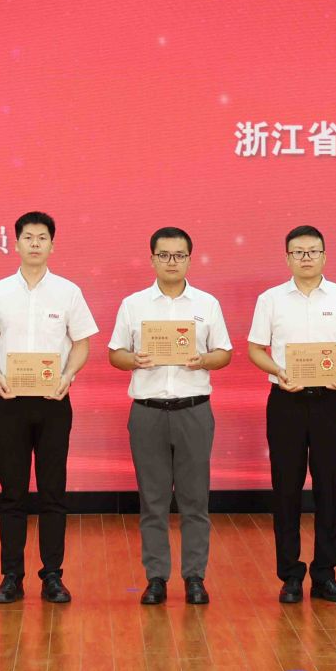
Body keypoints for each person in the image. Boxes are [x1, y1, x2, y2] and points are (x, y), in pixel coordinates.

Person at [0, 211, 97, 605]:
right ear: (17, 243)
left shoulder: (68, 292)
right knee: (13, 492)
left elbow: (82, 343)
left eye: (42, 237)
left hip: (54, 401)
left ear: (52, 245)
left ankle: (53, 575)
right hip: (10, 402)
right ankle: (11, 577)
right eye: (28, 237)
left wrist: (68, 376)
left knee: (53, 492)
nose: (35, 243)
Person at [107, 227, 235, 606]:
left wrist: (203, 359)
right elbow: (115, 353)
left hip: (193, 410)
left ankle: (195, 577)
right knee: (153, 501)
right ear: (152, 260)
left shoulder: (207, 304)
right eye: (164, 255)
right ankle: (156, 577)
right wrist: (134, 359)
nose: (172, 262)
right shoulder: (133, 304)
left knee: (195, 501)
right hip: (147, 412)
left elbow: (224, 353)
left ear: (189, 260)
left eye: (179, 255)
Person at [247, 225, 336, 604]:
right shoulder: (270, 300)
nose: (306, 258)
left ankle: (325, 574)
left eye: (313, 251)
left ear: (324, 256)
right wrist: (278, 371)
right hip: (286, 401)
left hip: (331, 401)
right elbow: (255, 349)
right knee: (286, 487)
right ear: (287, 258)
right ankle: (290, 575)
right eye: (298, 252)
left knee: (330, 487)